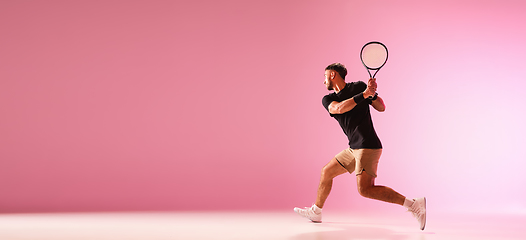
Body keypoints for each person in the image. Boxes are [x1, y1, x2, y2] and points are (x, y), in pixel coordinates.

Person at [294, 63, 426, 230]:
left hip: (368, 145)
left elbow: (381, 107)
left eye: (325, 76)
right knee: (326, 171)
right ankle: (316, 211)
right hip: (354, 148)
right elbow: (339, 109)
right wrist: (363, 95)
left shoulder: (358, 87)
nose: (323, 81)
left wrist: (372, 95)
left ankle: (414, 205)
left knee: (365, 190)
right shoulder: (329, 99)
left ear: (333, 75)